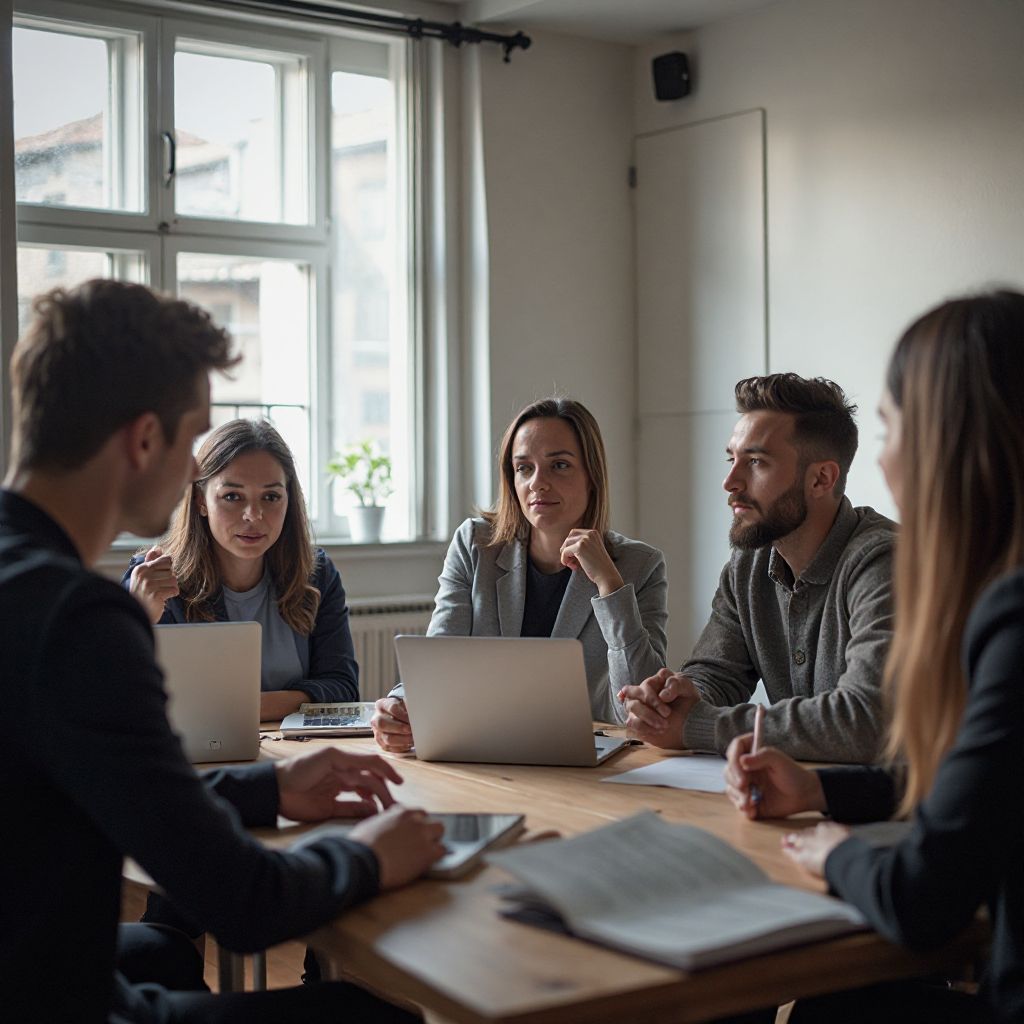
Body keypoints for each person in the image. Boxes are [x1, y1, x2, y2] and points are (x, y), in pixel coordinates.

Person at [0, 279, 445, 1024]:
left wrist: (270, 788)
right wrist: (370, 854)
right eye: (194, 442)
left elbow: (121, 789)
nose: (196, 477)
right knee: (367, 1014)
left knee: (162, 952)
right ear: (146, 440)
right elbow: (244, 901)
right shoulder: (78, 620)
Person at [723, 290, 1024, 1023]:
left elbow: (922, 897)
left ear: (954, 444)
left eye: (891, 429)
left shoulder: (1011, 617)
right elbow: (975, 792)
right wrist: (823, 791)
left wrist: (835, 851)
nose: (883, 458)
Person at [621, 374, 895, 763]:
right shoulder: (748, 565)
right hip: (794, 790)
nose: (729, 482)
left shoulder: (884, 562)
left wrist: (699, 725)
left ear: (821, 479)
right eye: (731, 459)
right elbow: (716, 674)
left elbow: (867, 719)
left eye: (755, 462)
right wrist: (672, 700)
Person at [371, 396, 668, 752]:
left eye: (559, 465)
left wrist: (610, 585)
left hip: (584, 759)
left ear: (592, 476)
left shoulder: (639, 566)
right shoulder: (475, 544)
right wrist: (401, 706)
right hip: (480, 748)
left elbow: (640, 709)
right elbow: (437, 660)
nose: (538, 483)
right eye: (524, 468)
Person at [125, 418, 357, 722]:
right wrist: (142, 617)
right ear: (201, 501)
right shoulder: (156, 578)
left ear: (289, 501)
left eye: (271, 497)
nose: (253, 515)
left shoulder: (317, 574)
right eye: (232, 496)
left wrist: (246, 707)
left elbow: (343, 689)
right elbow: (126, 699)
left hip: (296, 745)